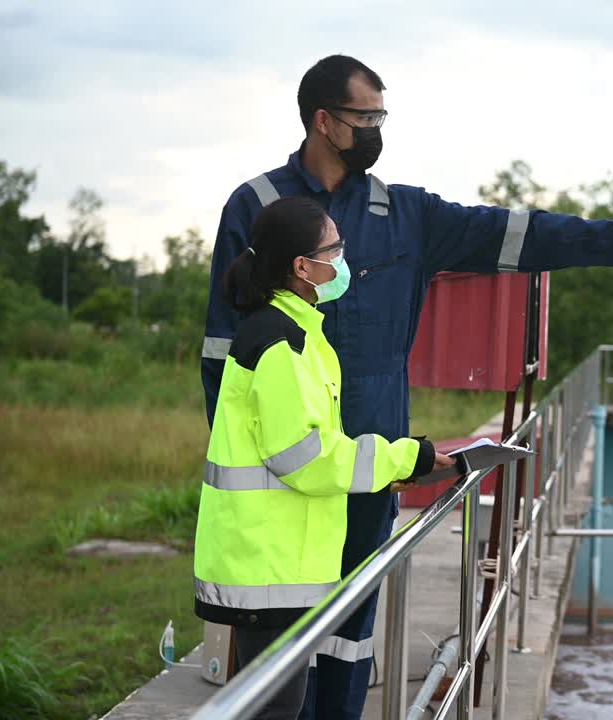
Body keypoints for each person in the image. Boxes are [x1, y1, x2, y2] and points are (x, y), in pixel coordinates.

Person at [200, 54, 613, 718]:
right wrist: (249, 467)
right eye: (366, 116)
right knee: (278, 646)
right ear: (324, 121)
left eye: (383, 115)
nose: (378, 128)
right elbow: (220, 355)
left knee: (350, 633)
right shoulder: (258, 208)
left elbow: (511, 233)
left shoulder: (405, 215)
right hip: (283, 486)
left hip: (372, 461)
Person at [194, 196, 455, 720]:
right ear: (302, 267)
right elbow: (306, 459)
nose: (343, 259)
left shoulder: (298, 335)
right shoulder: (281, 345)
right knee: (275, 710)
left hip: (275, 557)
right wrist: (405, 458)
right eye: (335, 248)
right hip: (267, 561)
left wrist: (393, 468)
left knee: (270, 705)